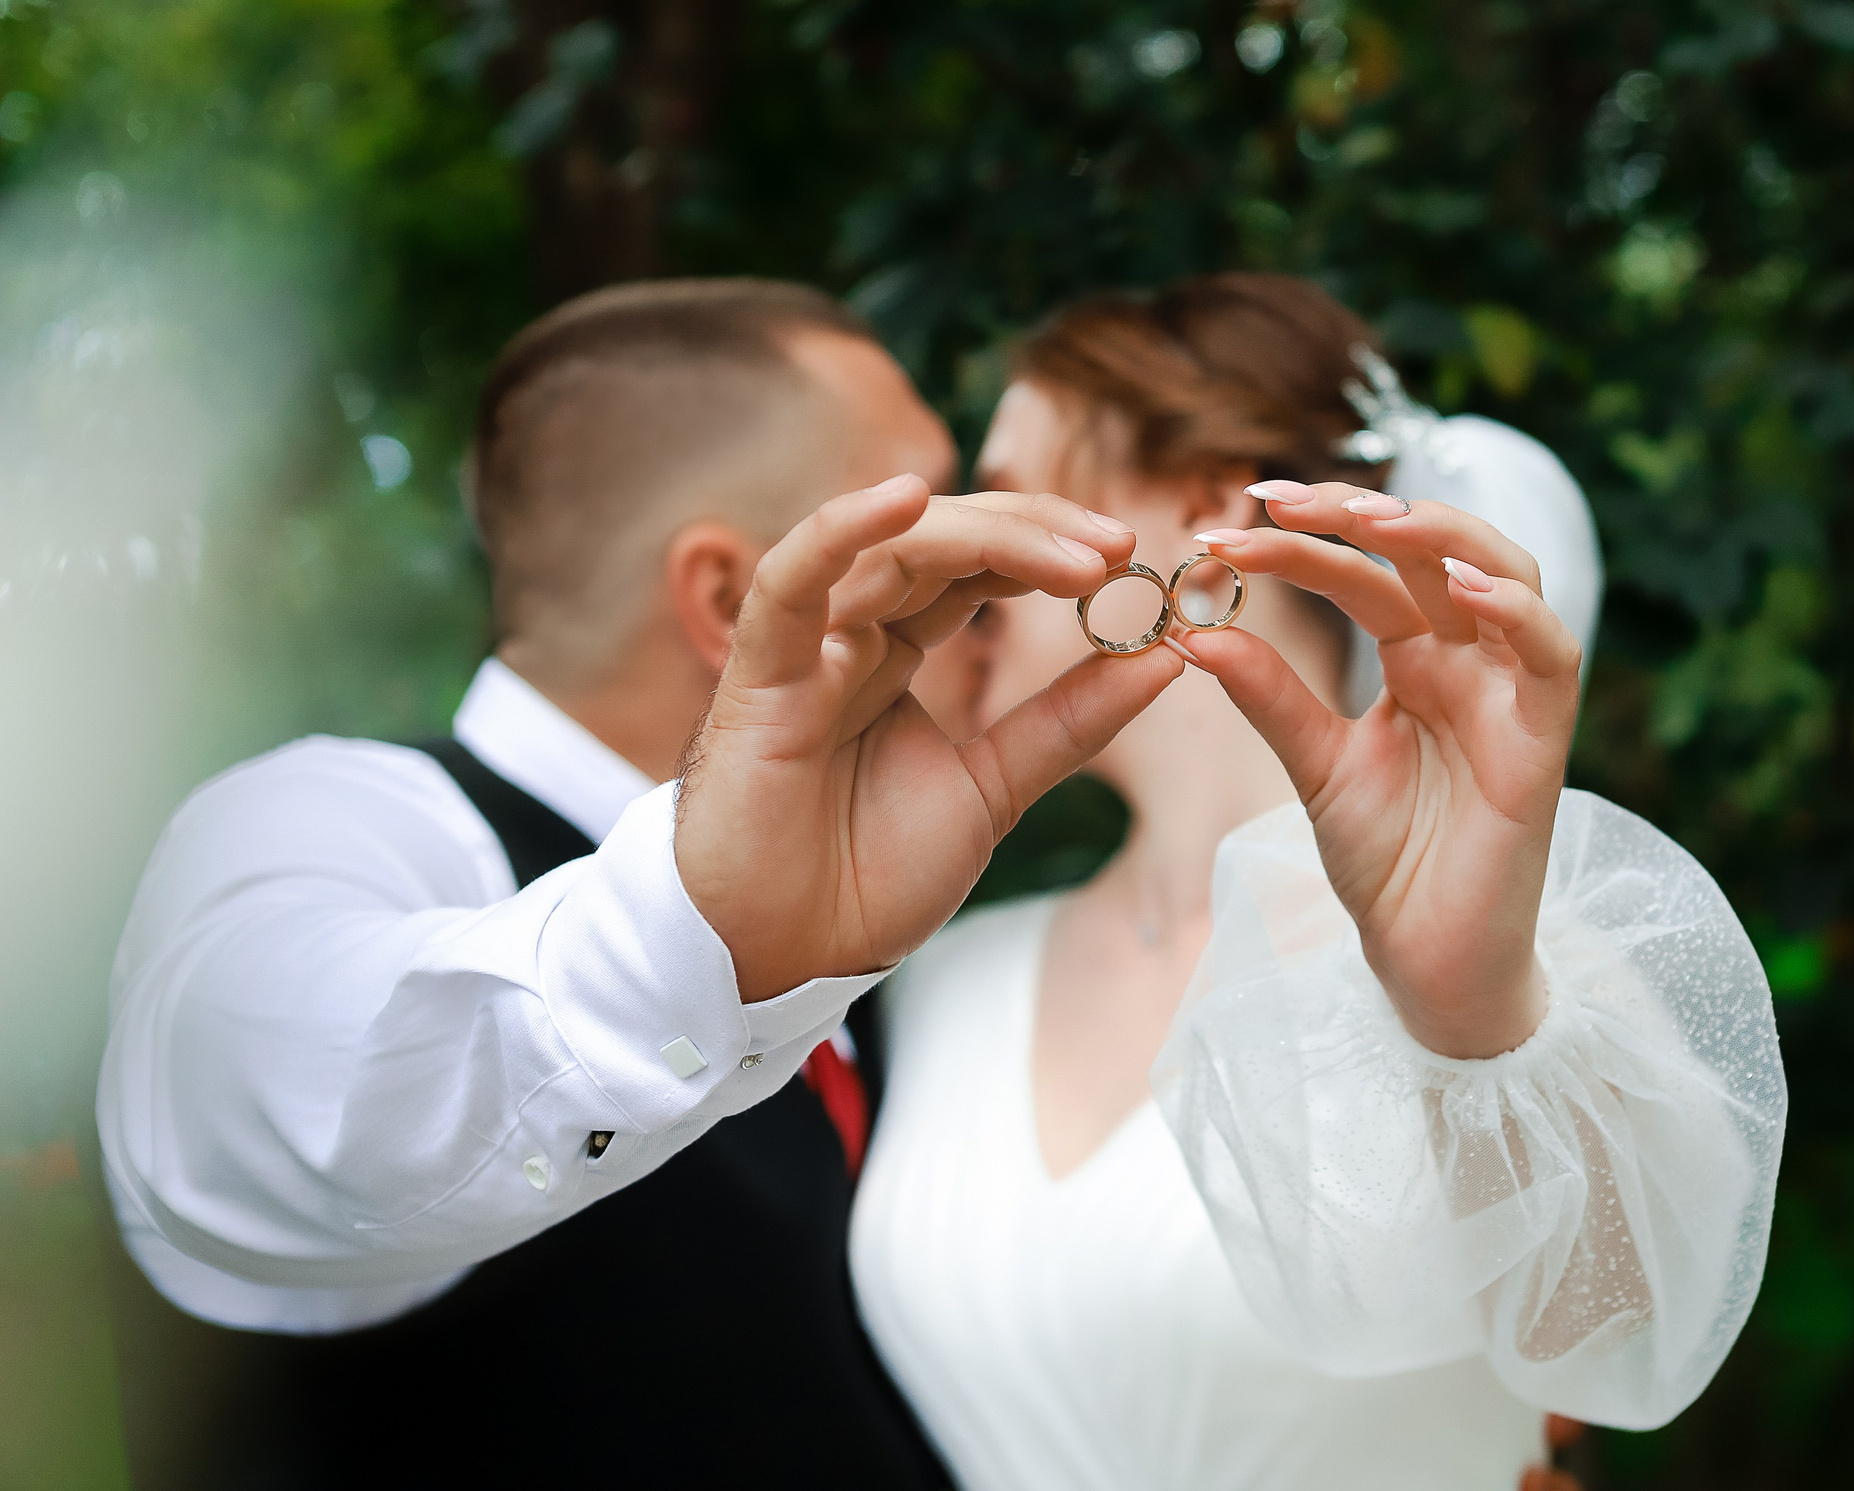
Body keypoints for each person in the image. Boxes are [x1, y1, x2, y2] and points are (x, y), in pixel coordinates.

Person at [91, 279, 1182, 1489]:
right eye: (935, 524)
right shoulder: (330, 824)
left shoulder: (884, 934)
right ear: (726, 598)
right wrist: (702, 936)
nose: (1000, 586)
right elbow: (279, 1091)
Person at [849, 275, 1788, 1490]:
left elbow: (1609, 1338)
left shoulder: (1532, 984)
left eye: (1011, 476)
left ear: (1197, 498)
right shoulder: (947, 975)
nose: (960, 544)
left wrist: (1471, 1024)